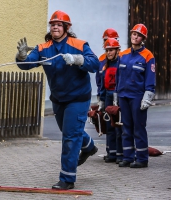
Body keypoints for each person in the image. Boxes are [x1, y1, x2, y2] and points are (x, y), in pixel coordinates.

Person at [15, 10, 100, 189]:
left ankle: (67, 179)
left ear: (66, 28)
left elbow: (95, 64)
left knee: (70, 136)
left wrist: (78, 59)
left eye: (59, 24)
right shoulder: (42, 48)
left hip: (78, 98)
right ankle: (89, 146)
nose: (55, 26)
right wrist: (22, 56)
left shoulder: (80, 44)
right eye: (52, 24)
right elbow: (26, 64)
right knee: (70, 131)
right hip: (58, 98)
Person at [116, 24, 156, 168]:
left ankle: (142, 159)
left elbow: (150, 78)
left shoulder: (148, 56)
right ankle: (127, 157)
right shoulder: (122, 55)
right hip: (124, 95)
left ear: (143, 38)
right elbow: (118, 76)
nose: (135, 37)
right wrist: (116, 94)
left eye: (138, 35)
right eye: (134, 34)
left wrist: (148, 97)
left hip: (138, 97)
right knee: (126, 127)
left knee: (138, 128)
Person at [95, 28, 120, 160]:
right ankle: (111, 152)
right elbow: (100, 79)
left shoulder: (121, 59)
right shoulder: (102, 60)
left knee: (118, 126)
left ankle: (119, 154)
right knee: (109, 125)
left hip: (117, 95)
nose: (107, 46)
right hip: (106, 94)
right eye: (105, 42)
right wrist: (101, 98)